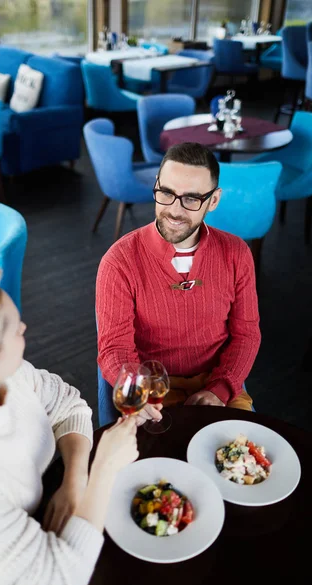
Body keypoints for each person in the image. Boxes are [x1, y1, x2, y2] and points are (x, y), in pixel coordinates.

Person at [0, 269, 138, 585]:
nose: (24, 327)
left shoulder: (5, 376)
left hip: (40, 505)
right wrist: (104, 469)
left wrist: (75, 481)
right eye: (14, 327)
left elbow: (68, 404)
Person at [96, 142, 261, 411]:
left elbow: (247, 334)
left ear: (214, 200)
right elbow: (115, 347)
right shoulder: (118, 261)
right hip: (152, 388)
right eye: (166, 193)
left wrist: (219, 390)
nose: (175, 210)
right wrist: (137, 392)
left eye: (192, 199)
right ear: (156, 187)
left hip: (217, 383)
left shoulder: (237, 253)